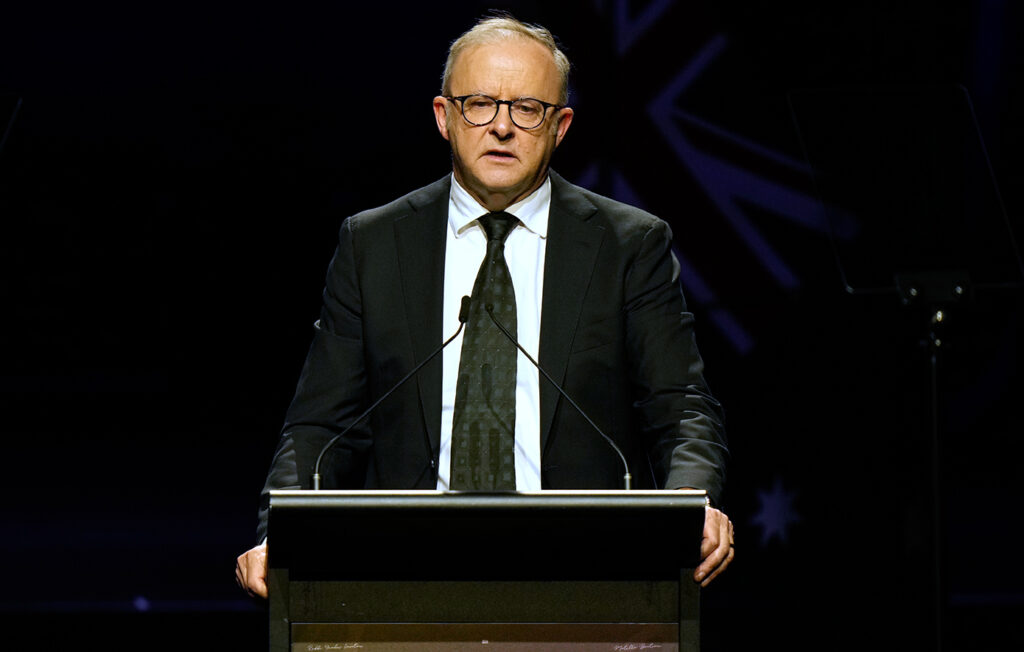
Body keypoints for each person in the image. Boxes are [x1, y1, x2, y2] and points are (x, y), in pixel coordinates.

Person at [236, 15, 734, 599]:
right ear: (444, 117)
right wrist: (278, 535)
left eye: (527, 109)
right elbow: (320, 426)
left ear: (560, 126)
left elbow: (681, 407)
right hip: (405, 573)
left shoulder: (628, 245)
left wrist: (690, 502)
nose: (501, 127)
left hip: (584, 572)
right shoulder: (374, 244)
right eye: (478, 105)